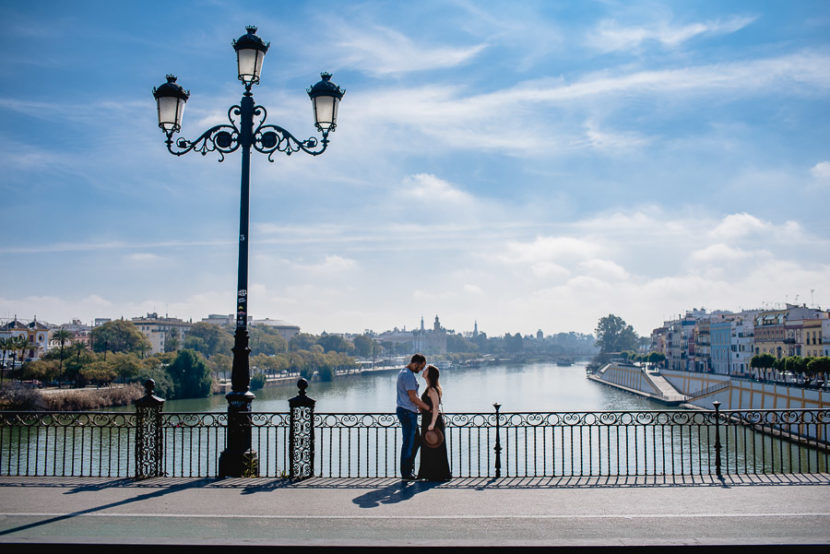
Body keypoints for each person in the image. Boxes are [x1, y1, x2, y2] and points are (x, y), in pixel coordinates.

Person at [396, 353, 430, 480]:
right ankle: (406, 473)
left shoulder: (403, 372)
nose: (421, 370)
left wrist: (420, 407)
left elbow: (413, 397)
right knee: (409, 443)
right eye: (421, 367)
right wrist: (428, 408)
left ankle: (408, 470)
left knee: (415, 441)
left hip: (407, 411)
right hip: (408, 412)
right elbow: (413, 397)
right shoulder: (408, 375)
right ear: (415, 363)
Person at [417, 364, 451, 481]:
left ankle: (435, 474)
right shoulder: (429, 388)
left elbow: (436, 407)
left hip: (432, 421)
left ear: (429, 374)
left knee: (433, 445)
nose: (423, 370)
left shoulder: (432, 389)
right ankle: (432, 474)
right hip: (429, 419)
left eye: (426, 370)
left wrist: (432, 423)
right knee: (430, 446)